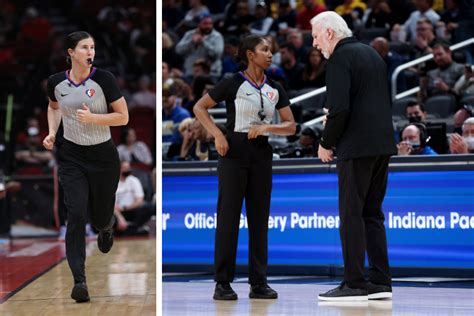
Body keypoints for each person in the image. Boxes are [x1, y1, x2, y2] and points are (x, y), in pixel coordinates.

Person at [193, 34, 296, 301]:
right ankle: (222, 283)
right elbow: (200, 107)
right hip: (234, 151)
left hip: (262, 153)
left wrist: (267, 127)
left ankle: (258, 282)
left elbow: (291, 125)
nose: (270, 54)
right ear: (250, 55)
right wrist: (217, 135)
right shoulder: (232, 82)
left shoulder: (275, 87)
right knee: (228, 219)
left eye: (271, 49)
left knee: (260, 220)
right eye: (264, 49)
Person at [311, 12, 396, 301]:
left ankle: (354, 284)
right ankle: (381, 281)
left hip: (356, 147)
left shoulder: (339, 59)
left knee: (351, 215)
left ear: (330, 34)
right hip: (382, 144)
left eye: (316, 36)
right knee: (372, 214)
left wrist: (326, 141)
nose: (314, 43)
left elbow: (340, 109)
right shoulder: (372, 54)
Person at [42, 31, 128, 303]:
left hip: (103, 156)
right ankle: (79, 280)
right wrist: (52, 133)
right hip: (71, 155)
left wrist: (93, 118)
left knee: (101, 213)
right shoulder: (56, 82)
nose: (90, 52)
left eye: (92, 47)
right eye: (84, 47)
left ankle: (105, 225)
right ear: (71, 52)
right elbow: (54, 107)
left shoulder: (104, 79)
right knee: (76, 213)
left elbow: (123, 117)